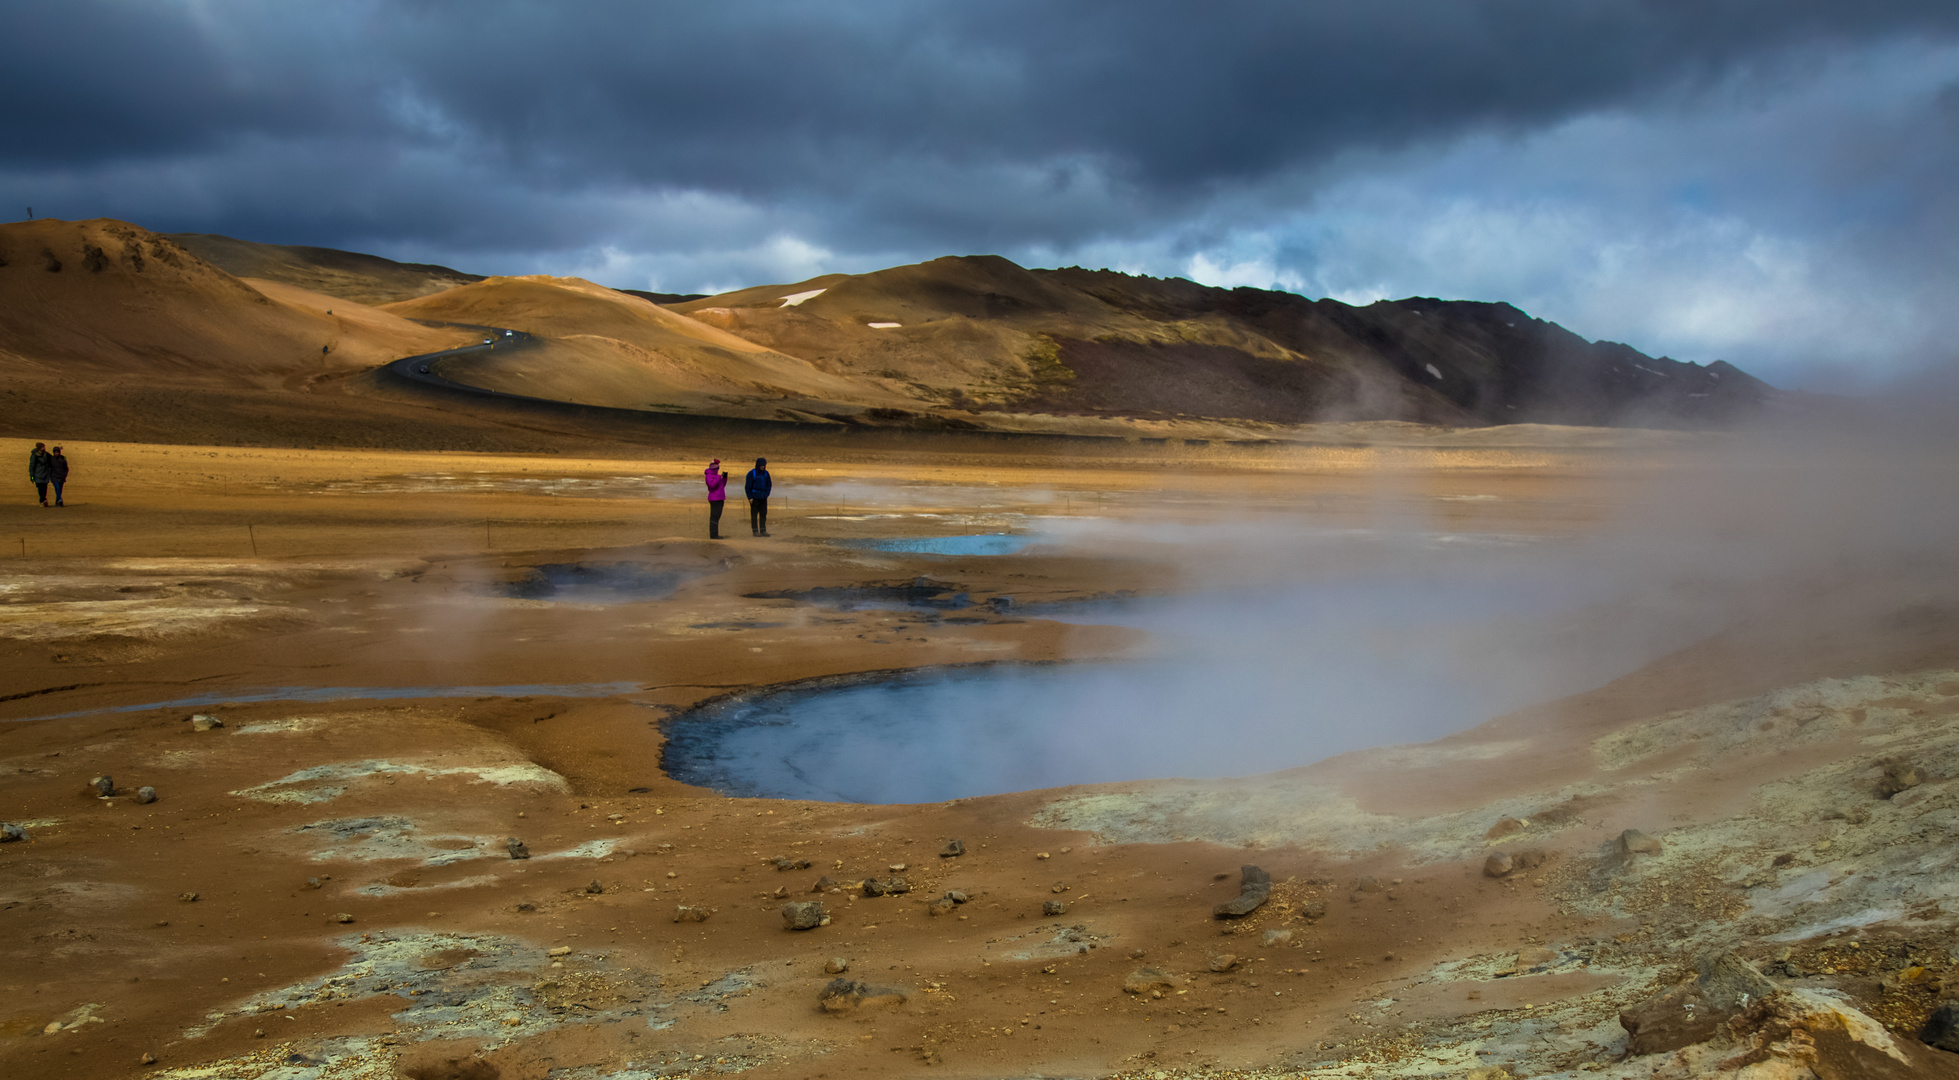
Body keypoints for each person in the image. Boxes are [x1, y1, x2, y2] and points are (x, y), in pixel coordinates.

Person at [745, 457, 772, 536]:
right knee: (754, 515)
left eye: (764, 465)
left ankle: (763, 530)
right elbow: (747, 487)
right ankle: (755, 531)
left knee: (763, 514)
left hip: (763, 497)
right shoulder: (751, 474)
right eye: (761, 465)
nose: (763, 467)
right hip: (754, 498)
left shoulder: (766, 473)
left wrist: (767, 494)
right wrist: (750, 497)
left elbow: (769, 485)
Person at [703, 459, 728, 539]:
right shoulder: (709, 476)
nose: (718, 470)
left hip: (720, 497)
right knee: (714, 517)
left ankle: (715, 534)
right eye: (717, 469)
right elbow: (712, 486)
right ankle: (713, 535)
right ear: (714, 469)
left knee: (717, 516)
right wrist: (718, 478)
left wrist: (724, 478)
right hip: (714, 499)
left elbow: (722, 486)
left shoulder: (717, 476)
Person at [27, 442, 52, 506]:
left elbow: (52, 460)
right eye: (43, 447)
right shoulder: (34, 456)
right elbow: (31, 466)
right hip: (38, 475)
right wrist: (32, 477)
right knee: (40, 488)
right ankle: (43, 500)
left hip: (45, 474)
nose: (44, 448)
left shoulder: (47, 455)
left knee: (45, 488)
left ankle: (43, 500)